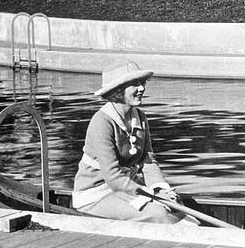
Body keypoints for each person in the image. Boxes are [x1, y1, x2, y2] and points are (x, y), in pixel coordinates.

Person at [72, 61, 195, 224]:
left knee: (176, 206)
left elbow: (148, 161)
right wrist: (152, 196)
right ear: (118, 91)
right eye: (135, 84)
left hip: (125, 188)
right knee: (160, 214)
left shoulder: (140, 117)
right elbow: (113, 177)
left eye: (142, 83)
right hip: (97, 194)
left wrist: (160, 190)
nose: (142, 88)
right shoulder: (101, 122)